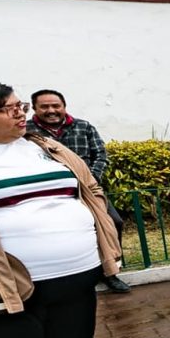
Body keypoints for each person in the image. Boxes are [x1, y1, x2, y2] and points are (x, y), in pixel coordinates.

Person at [0, 81, 149, 338]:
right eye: (9, 109)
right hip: (9, 286)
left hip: (75, 271)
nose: (21, 114)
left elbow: (86, 188)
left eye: (20, 107)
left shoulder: (42, 147)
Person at [30, 89, 132, 294]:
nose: (51, 110)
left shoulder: (83, 127)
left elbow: (100, 154)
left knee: (113, 222)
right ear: (34, 108)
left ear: (64, 107)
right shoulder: (27, 133)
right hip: (50, 194)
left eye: (56, 106)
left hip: (87, 190)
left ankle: (110, 272)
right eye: (45, 106)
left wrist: (89, 180)